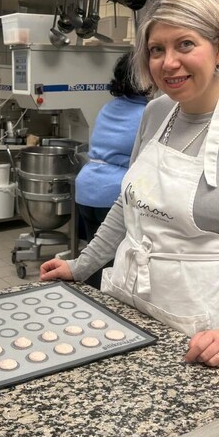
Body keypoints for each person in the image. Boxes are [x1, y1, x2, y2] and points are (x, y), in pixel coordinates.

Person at [40, 0, 219, 372]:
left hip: (210, 332)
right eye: (156, 49)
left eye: (185, 44)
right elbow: (127, 204)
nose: (169, 63)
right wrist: (82, 265)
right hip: (135, 310)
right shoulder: (157, 112)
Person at [75, 52, 149, 289]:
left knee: (93, 257)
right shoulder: (148, 113)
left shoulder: (109, 107)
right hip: (113, 195)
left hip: (86, 190)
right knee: (112, 268)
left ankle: (87, 305)